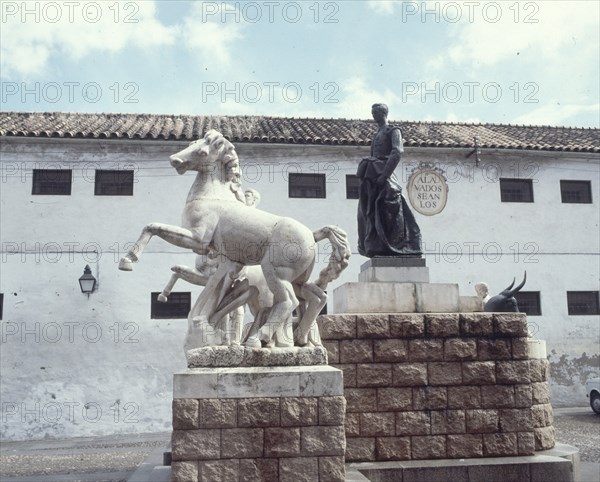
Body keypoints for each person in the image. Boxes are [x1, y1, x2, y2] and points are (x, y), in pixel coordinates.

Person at [357, 103, 422, 257]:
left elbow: (397, 152)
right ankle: (377, 246)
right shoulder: (377, 134)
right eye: (372, 112)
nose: (373, 115)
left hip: (384, 176)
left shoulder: (393, 130)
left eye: (376, 112)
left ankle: (397, 246)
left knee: (389, 209)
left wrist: (384, 175)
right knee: (369, 212)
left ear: (383, 113)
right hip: (373, 177)